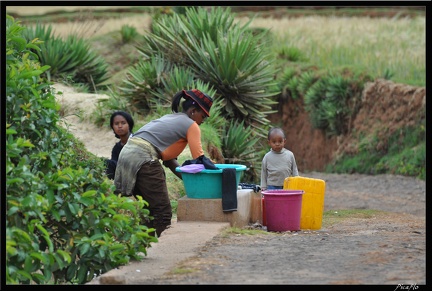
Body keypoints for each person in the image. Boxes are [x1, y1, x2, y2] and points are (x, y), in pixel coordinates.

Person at [114, 89, 215, 237]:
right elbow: (200, 160)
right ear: (193, 111)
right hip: (144, 157)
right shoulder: (191, 125)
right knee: (162, 212)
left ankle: (143, 246)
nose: (203, 121)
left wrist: (189, 182)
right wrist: (216, 178)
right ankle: (164, 252)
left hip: (126, 155)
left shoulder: (170, 118)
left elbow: (170, 162)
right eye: (203, 116)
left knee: (148, 209)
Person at [105, 111, 134, 180]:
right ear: (113, 127)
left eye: (123, 123)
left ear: (129, 125)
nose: (120, 126)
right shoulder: (116, 148)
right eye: (116, 124)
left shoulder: (137, 142)